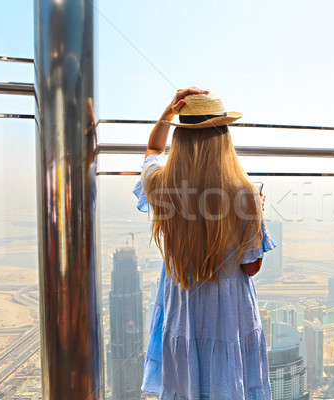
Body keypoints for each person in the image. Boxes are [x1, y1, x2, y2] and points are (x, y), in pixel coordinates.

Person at [133, 87, 275, 399]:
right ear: (225, 137)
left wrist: (168, 113)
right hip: (229, 316)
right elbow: (251, 266)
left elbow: (152, 150)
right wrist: (258, 214)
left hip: (182, 308)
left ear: (180, 139)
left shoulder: (162, 183)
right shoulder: (245, 193)